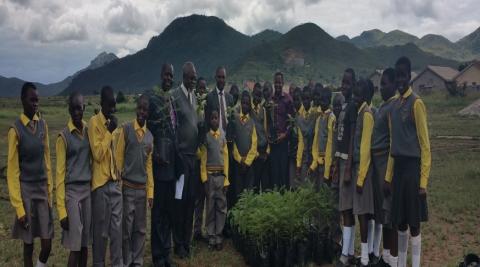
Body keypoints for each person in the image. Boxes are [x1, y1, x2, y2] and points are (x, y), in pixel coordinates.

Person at [385, 57, 430, 267]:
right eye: (397, 76)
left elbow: (425, 145)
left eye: (403, 75)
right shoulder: (393, 106)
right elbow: (393, 143)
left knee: (414, 224)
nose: (400, 80)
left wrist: (423, 182)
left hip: (413, 171)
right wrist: (388, 177)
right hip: (398, 171)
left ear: (410, 76)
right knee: (400, 222)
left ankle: (416, 264)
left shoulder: (417, 103)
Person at [7, 82, 53, 267]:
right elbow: (12, 171)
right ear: (22, 100)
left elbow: (47, 160)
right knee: (28, 245)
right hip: (26, 191)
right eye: (31, 100)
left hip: (42, 190)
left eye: (37, 100)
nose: (35, 104)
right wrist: (19, 208)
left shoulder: (43, 125)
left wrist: (50, 192)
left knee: (47, 244)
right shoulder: (15, 130)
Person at [115, 95, 154, 267]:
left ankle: (137, 261)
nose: (142, 112)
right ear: (135, 108)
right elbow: (118, 159)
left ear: (148, 112)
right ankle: (126, 259)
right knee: (126, 228)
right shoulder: (126, 129)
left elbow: (149, 167)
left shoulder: (150, 137)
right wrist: (118, 184)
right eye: (140, 108)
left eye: (145, 110)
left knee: (140, 228)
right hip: (127, 188)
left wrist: (150, 192)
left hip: (142, 189)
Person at [88, 85, 123, 267]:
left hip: (115, 183)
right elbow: (98, 154)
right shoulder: (94, 123)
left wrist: (119, 175)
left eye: (114, 105)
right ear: (102, 103)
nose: (113, 109)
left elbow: (115, 154)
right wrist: (109, 132)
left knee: (117, 231)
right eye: (110, 105)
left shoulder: (113, 123)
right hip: (100, 186)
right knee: (101, 233)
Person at [56, 92, 91, 267]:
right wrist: (62, 212)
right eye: (74, 108)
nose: (78, 112)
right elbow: (60, 176)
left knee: (85, 245)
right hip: (72, 193)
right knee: (75, 247)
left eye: (80, 108)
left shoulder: (88, 130)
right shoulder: (63, 137)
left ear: (84, 108)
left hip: (87, 191)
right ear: (69, 110)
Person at [147, 63, 178, 267]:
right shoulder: (153, 100)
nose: (168, 78)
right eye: (166, 74)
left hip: (172, 165)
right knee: (158, 211)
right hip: (159, 165)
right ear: (161, 75)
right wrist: (155, 153)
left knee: (168, 210)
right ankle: (157, 255)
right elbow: (147, 129)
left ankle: (167, 253)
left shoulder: (173, 101)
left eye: (171, 76)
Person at [171, 62, 200, 259]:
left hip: (193, 159)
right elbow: (173, 128)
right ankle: (178, 243)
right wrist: (177, 155)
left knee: (191, 200)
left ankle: (186, 241)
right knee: (179, 202)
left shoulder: (195, 98)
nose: (194, 80)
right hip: (181, 159)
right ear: (183, 76)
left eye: (195, 77)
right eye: (191, 77)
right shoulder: (174, 97)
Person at [371, 68, 398, 267]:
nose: (381, 87)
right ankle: (385, 256)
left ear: (395, 85)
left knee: (390, 216)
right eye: (380, 84)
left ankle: (391, 260)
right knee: (383, 213)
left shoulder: (393, 108)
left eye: (385, 84)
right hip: (376, 164)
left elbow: (393, 144)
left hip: (384, 165)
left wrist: (388, 175)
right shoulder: (383, 106)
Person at [335, 69, 358, 266]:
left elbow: (351, 138)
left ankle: (345, 254)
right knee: (346, 208)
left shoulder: (352, 107)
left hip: (347, 164)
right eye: (343, 82)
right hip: (341, 162)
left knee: (346, 209)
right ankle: (349, 250)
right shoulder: (344, 105)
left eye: (348, 83)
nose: (344, 86)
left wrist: (349, 167)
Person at [198, 109, 229, 251]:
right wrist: (204, 179)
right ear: (209, 121)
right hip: (210, 178)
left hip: (221, 177)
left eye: (217, 118)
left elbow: (226, 158)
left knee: (221, 208)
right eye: (212, 118)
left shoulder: (223, 136)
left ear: (219, 119)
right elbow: (203, 159)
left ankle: (218, 236)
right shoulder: (206, 138)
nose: (215, 120)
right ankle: (210, 236)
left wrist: (226, 179)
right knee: (210, 208)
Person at [352, 79, 375, 266]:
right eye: (354, 94)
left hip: (363, 171)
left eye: (358, 95)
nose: (355, 98)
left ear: (365, 96)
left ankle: (366, 257)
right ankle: (366, 253)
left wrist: (360, 178)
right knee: (362, 213)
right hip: (359, 169)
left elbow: (366, 147)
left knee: (363, 213)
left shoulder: (366, 115)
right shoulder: (359, 112)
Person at [269, 72, 294, 188]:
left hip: (284, 143)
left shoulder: (288, 99)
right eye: (276, 82)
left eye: (279, 82)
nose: (277, 85)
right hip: (273, 143)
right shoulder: (270, 99)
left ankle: (284, 199)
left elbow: (291, 122)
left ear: (283, 83)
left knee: (283, 173)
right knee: (274, 173)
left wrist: (284, 135)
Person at [232, 90, 258, 200]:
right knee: (238, 193)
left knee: (248, 193)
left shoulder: (252, 122)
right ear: (240, 103)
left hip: (249, 165)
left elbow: (254, 144)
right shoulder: (235, 120)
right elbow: (233, 142)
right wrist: (240, 159)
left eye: (247, 103)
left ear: (250, 106)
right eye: (243, 103)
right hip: (238, 164)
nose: (245, 105)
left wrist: (247, 162)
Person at [309, 86, 335, 190]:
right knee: (318, 190)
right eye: (321, 101)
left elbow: (330, 144)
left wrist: (327, 171)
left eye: (325, 101)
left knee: (326, 191)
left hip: (327, 162)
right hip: (318, 161)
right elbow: (315, 142)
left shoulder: (331, 117)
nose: (322, 103)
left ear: (329, 101)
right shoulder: (319, 118)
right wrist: (313, 163)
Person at [294, 86, 317, 187]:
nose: (306, 101)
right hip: (304, 157)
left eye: (308, 99)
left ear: (311, 99)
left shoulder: (316, 114)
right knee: (305, 186)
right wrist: (298, 164)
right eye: (304, 99)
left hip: (315, 157)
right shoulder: (300, 118)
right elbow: (301, 141)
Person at [251, 83, 270, 191]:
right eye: (256, 95)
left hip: (264, 151)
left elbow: (265, 130)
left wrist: (267, 150)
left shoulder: (263, 110)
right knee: (255, 184)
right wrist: (256, 153)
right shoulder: (248, 110)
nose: (258, 98)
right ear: (253, 94)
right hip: (255, 152)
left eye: (260, 96)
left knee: (265, 183)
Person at [288, 87, 302, 188]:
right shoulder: (292, 115)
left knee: (301, 183)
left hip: (301, 154)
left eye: (298, 99)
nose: (295, 102)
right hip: (293, 153)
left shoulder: (304, 115)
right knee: (292, 184)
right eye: (294, 99)